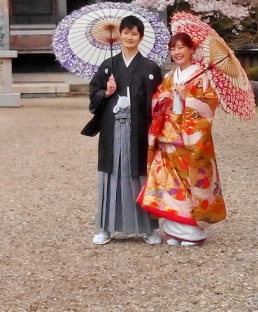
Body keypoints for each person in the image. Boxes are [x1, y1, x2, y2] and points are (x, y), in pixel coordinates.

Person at [139, 33, 227, 246]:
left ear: (191, 50)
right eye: (173, 48)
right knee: (171, 182)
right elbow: (157, 101)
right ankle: (175, 231)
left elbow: (208, 107)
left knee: (189, 181)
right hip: (168, 135)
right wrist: (165, 98)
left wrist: (187, 97)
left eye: (181, 47)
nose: (177, 52)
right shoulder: (169, 77)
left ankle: (192, 232)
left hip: (190, 138)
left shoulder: (200, 76)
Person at [83, 15, 163, 245]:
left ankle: (149, 229)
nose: (129, 37)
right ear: (119, 35)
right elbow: (93, 95)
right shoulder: (108, 66)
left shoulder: (150, 67)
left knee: (140, 174)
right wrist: (107, 93)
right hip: (113, 129)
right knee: (112, 174)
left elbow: (158, 101)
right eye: (126, 32)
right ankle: (106, 228)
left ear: (140, 37)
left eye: (134, 33)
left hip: (139, 129)